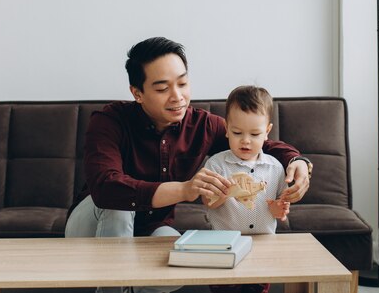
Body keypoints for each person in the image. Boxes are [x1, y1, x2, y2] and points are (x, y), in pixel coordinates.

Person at [64, 37, 312, 293]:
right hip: (91, 225)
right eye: (162, 89)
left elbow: (255, 141)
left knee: (182, 267)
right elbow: (106, 189)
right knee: (119, 206)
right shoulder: (109, 121)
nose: (178, 97)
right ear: (137, 93)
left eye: (182, 83)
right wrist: (184, 189)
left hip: (151, 228)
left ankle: (126, 285)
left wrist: (298, 161)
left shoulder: (202, 126)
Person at [202, 86, 294, 293]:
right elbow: (208, 203)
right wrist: (225, 193)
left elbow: (280, 211)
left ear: (267, 132)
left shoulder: (275, 167)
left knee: (258, 288)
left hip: (263, 244)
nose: (245, 140)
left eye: (254, 134)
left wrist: (279, 209)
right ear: (226, 128)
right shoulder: (216, 165)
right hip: (223, 244)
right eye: (237, 132)